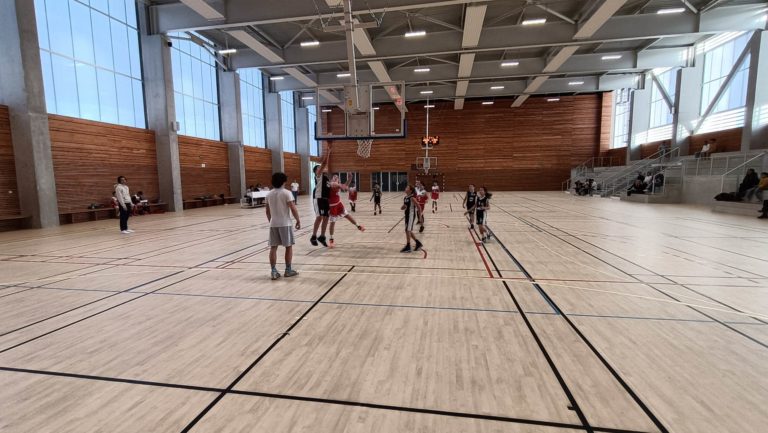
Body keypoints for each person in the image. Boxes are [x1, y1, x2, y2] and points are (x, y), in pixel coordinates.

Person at [265, 172, 301, 280]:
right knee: (288, 247)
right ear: (284, 181)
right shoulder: (287, 193)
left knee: (273, 248)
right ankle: (288, 270)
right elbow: (293, 208)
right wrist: (298, 220)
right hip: (285, 224)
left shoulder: (269, 194)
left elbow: (267, 211)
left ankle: (273, 271)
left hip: (273, 224)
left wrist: (271, 221)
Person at [327, 173, 365, 248]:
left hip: (338, 204)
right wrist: (349, 184)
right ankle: (331, 240)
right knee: (332, 223)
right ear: (332, 179)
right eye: (334, 177)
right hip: (332, 206)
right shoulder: (331, 184)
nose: (335, 178)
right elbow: (344, 186)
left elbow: (344, 186)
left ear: (338, 179)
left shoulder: (338, 184)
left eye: (337, 177)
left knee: (347, 216)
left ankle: (358, 226)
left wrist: (350, 179)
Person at [310, 146, 332, 247]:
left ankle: (322, 236)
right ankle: (313, 236)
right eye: (318, 168)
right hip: (318, 198)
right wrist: (328, 151)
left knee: (326, 217)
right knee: (319, 217)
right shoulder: (318, 176)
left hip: (326, 199)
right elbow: (324, 164)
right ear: (316, 171)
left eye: (320, 168)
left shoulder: (326, 178)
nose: (320, 168)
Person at [400, 185, 423, 253]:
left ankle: (408, 246)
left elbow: (419, 207)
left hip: (411, 216)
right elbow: (405, 206)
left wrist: (420, 217)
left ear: (410, 190)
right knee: (408, 230)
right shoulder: (405, 198)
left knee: (408, 230)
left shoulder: (412, 198)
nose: (405, 188)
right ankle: (418, 243)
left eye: (407, 188)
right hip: (407, 215)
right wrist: (403, 207)